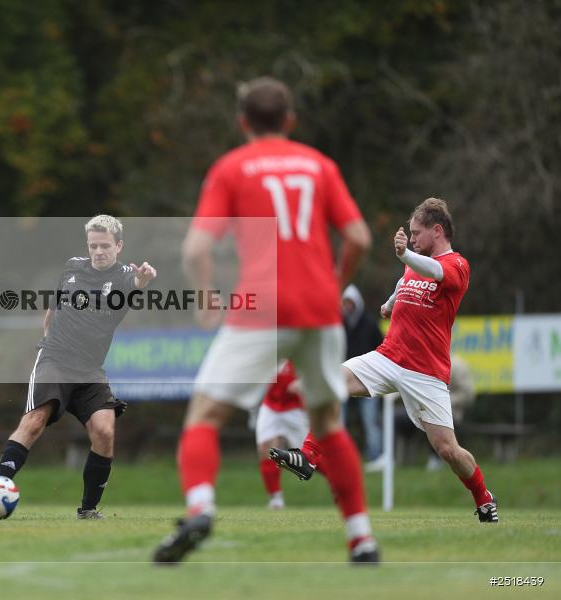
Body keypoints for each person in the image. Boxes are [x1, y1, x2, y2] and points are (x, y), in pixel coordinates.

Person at [154, 77, 378, 563]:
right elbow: (358, 237)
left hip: (262, 305)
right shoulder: (320, 165)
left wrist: (206, 297)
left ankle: (200, 508)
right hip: (320, 309)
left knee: (205, 415)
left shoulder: (232, 168)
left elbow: (195, 247)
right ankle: (361, 537)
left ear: (242, 123)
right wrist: (335, 286)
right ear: (290, 120)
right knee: (329, 424)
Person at [274, 198, 498, 523]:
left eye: (417, 233)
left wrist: (405, 253)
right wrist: (391, 301)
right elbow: (407, 278)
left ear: (438, 231)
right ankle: (308, 456)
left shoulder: (457, 266)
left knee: (448, 450)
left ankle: (483, 496)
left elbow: (433, 271)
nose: (413, 238)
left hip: (426, 373)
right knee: (333, 380)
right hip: (389, 357)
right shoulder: (414, 262)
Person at [0, 215, 156, 520]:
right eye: (93, 245)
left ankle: (88, 509)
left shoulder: (122, 277)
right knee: (35, 421)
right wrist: (47, 342)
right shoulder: (72, 268)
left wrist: (143, 279)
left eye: (105, 245)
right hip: (55, 358)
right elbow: (52, 311)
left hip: (90, 369)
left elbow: (136, 283)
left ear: (119, 246)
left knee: (105, 431)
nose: (99, 251)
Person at [341, 284, 385, 470]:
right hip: (344, 376)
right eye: (346, 303)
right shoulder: (339, 322)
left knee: (370, 419)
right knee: (337, 419)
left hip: (368, 377)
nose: (348, 306)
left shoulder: (369, 323)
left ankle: (375, 457)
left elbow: (381, 346)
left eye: (351, 303)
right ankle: (337, 456)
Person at [253, 361, 307, 509]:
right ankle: (275, 498)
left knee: (308, 458)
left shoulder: (302, 342)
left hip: (295, 409)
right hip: (270, 406)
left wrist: (302, 382)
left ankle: (341, 486)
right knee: (266, 449)